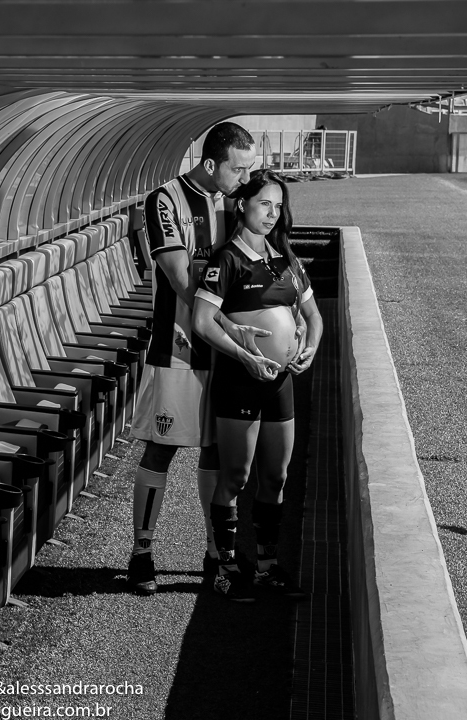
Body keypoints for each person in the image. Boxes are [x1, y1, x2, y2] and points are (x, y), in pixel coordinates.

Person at [126, 121, 268, 595]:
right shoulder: (164, 201)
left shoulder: (237, 203)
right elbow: (181, 279)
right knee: (162, 447)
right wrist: (227, 325)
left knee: (215, 451)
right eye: (238, 168)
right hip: (179, 349)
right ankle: (142, 552)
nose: (245, 179)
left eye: (250, 169)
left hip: (225, 353)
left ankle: (215, 554)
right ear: (211, 164)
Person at [192, 169, 323, 601]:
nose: (272, 213)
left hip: (280, 381)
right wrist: (244, 356)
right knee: (235, 476)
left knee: (276, 476)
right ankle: (225, 567)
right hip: (239, 380)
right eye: (264, 203)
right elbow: (201, 322)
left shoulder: (285, 256)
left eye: (278, 205)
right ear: (243, 205)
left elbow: (314, 317)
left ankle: (267, 567)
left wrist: (310, 348)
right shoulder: (226, 260)